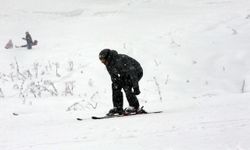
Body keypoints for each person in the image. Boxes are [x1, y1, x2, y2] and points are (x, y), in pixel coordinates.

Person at [99, 49, 145, 116]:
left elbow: (133, 73)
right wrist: (116, 84)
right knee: (115, 86)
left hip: (137, 72)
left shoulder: (121, 59)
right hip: (124, 74)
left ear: (108, 57)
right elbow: (113, 76)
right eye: (101, 60)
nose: (102, 62)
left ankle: (134, 107)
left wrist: (136, 87)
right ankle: (118, 108)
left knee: (126, 85)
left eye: (103, 59)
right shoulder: (108, 64)